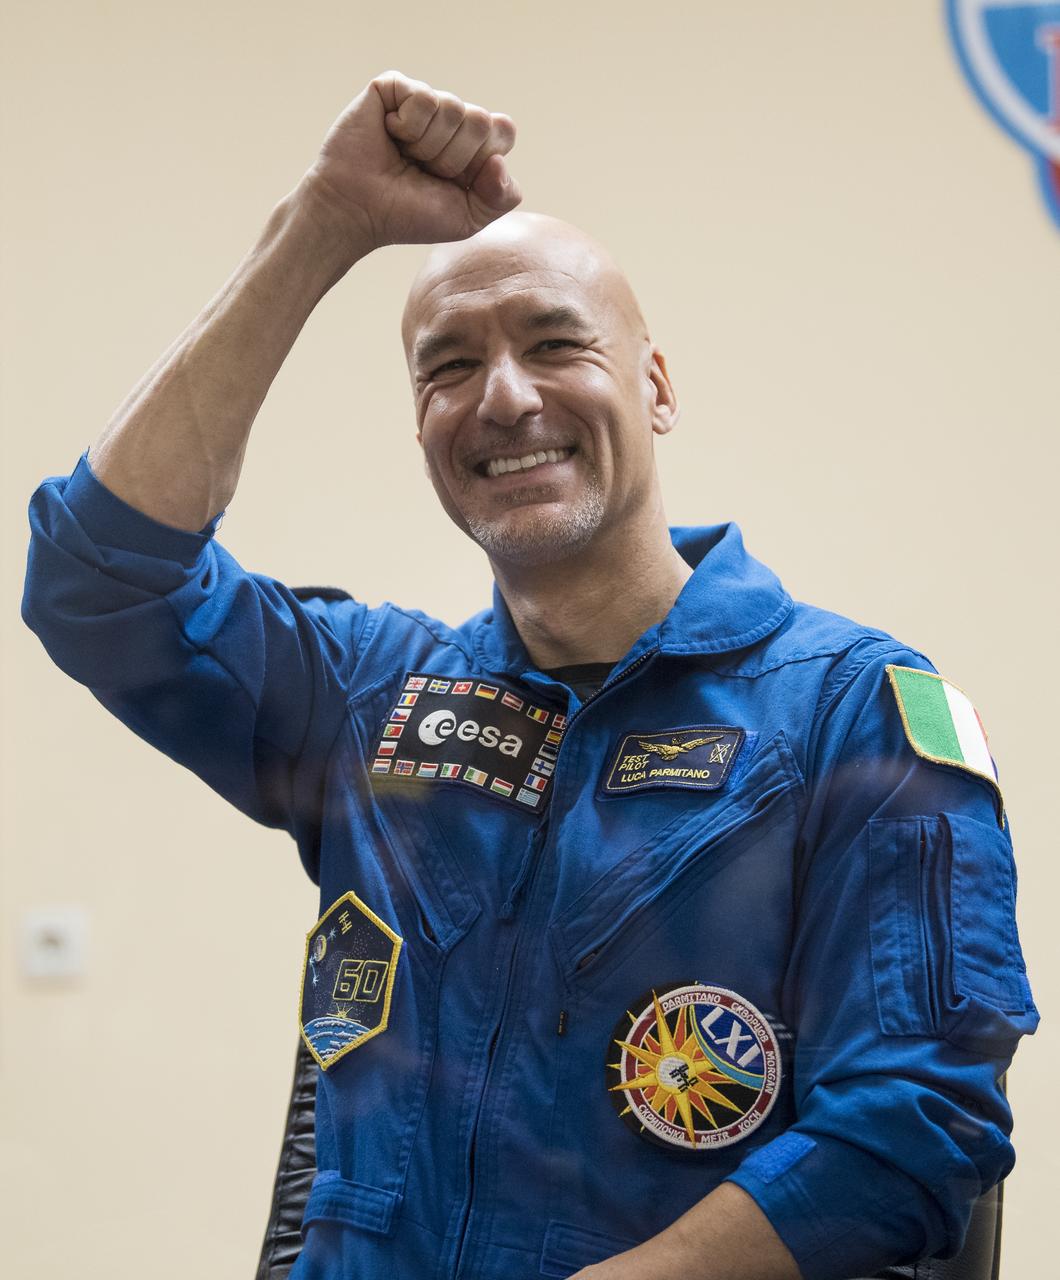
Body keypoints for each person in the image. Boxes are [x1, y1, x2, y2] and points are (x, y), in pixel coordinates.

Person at [21, 70, 1037, 1280]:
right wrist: (324, 226)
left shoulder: (849, 710)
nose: (502, 398)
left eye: (556, 343)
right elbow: (100, 586)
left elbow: (916, 1121)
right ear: (418, 423)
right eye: (447, 366)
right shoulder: (371, 695)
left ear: (654, 386)